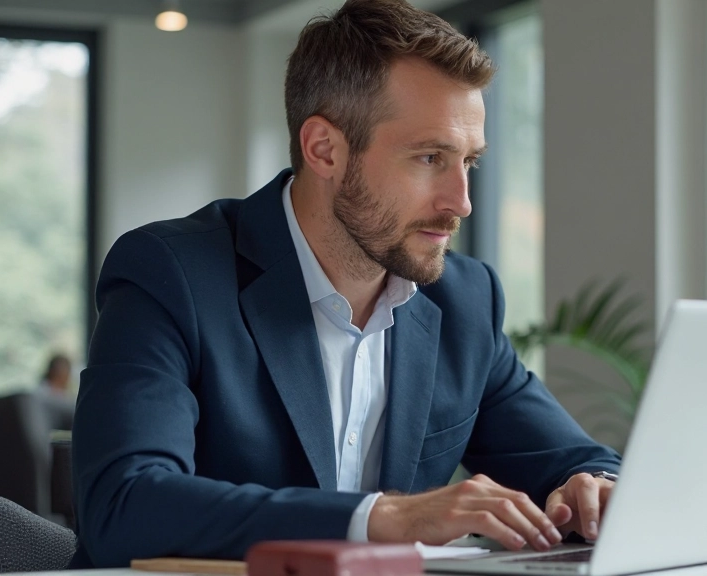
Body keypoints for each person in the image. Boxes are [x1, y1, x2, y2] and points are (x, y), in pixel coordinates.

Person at [70, 0, 621, 568]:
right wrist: (382, 518)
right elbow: (124, 503)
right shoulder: (172, 273)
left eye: (470, 162)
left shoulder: (463, 298)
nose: (461, 202)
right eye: (430, 157)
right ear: (324, 149)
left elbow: (574, 460)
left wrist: (595, 487)